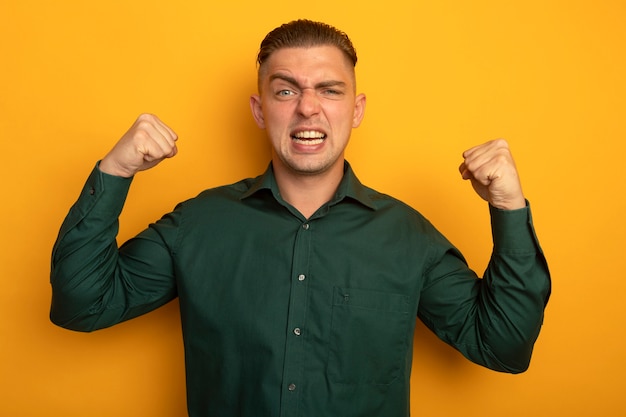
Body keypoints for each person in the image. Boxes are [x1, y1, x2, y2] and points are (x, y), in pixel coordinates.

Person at [50, 19, 551, 417]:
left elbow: (502, 347)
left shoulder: (407, 235)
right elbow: (82, 305)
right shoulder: (199, 223)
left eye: (329, 91)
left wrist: (508, 206)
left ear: (355, 111)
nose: (308, 108)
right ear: (259, 108)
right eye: (286, 90)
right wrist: (114, 170)